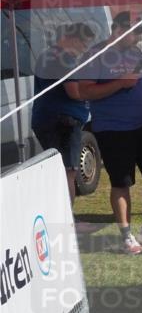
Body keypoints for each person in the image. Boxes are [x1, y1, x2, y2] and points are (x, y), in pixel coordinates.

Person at [78, 12, 142, 254]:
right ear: (117, 29)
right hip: (112, 129)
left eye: (140, 32)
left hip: (141, 123)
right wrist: (119, 83)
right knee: (121, 182)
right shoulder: (95, 54)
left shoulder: (136, 53)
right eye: (135, 32)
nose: (138, 37)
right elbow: (84, 91)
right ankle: (127, 236)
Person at [31, 23, 95, 202]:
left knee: (58, 171)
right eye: (84, 44)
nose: (84, 49)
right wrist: (98, 92)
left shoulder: (46, 55)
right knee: (68, 171)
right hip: (64, 122)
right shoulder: (65, 58)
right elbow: (74, 92)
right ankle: (67, 221)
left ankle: (60, 216)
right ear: (73, 39)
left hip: (46, 118)